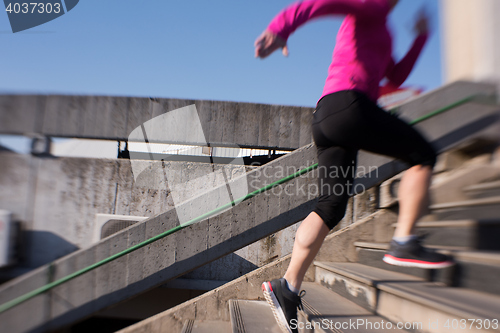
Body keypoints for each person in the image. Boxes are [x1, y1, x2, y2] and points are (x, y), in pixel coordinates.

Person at [254, 0, 454, 332]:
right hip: (350, 105)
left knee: (330, 208)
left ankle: (286, 286)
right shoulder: (369, 6)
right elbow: (318, 3)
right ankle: (404, 240)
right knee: (423, 156)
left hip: (327, 114)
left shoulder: (382, 29)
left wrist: (419, 38)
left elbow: (395, 74)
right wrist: (280, 28)